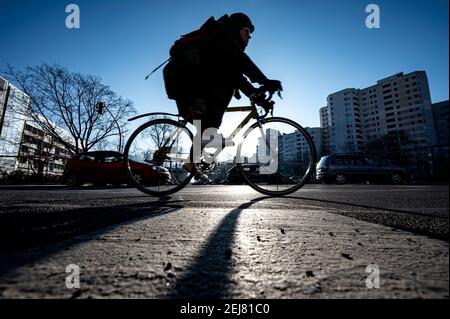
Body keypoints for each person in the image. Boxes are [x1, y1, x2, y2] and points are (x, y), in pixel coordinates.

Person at [164, 12, 282, 179]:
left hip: (190, 82)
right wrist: (265, 81)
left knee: (207, 124)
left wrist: (257, 96)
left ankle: (192, 160)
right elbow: (242, 62)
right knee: (212, 112)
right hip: (185, 80)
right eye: (247, 31)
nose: (249, 37)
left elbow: (236, 76)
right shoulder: (223, 36)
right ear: (236, 29)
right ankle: (207, 144)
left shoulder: (226, 48)